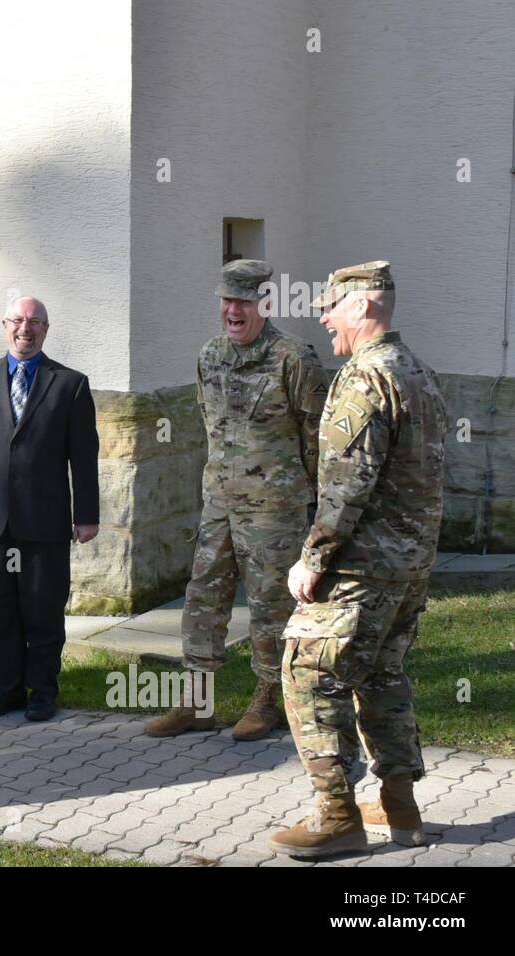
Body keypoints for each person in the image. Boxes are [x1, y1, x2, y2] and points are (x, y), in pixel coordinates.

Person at [271, 261, 446, 858]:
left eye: (332, 306)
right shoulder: (420, 372)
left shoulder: (363, 379)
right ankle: (400, 806)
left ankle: (336, 814)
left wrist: (313, 558)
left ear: (364, 307)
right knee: (381, 675)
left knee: (306, 671)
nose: (322, 316)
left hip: (362, 568)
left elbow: (347, 484)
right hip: (410, 566)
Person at [145, 260, 329, 740]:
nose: (233, 310)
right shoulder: (209, 356)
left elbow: (318, 439)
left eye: (243, 301)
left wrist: (318, 509)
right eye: (226, 300)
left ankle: (268, 701)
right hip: (219, 505)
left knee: (270, 606)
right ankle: (196, 703)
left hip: (275, 510)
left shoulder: (294, 359)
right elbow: (210, 422)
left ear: (263, 305)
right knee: (203, 598)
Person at [0, 296, 100, 722]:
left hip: (45, 521)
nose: (25, 329)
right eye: (17, 320)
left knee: (44, 609)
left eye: (34, 322)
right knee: (0, 610)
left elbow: (83, 458)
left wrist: (86, 514)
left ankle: (42, 692)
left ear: (46, 330)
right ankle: (6, 690)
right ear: (4, 325)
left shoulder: (70, 384)